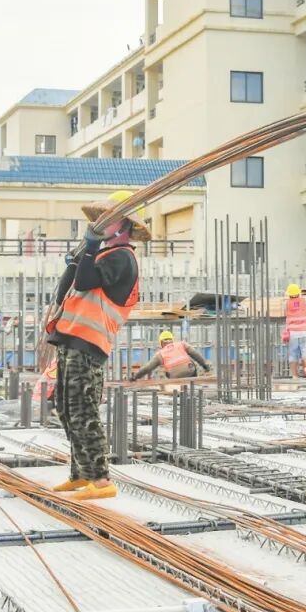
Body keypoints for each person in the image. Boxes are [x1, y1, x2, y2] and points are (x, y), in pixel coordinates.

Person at [46, 190, 146, 501]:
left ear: (124, 225)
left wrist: (89, 251)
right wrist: (78, 259)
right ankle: (80, 473)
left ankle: (101, 479)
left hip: (89, 344)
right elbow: (66, 289)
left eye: (110, 216)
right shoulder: (101, 254)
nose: (101, 223)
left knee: (82, 409)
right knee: (65, 408)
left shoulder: (123, 258)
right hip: (71, 338)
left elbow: (89, 282)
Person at [131, 330, 211, 380]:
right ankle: (192, 390)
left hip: (174, 376)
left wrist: (135, 377)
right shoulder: (182, 344)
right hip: (189, 372)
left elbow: (147, 368)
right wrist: (205, 365)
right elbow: (195, 354)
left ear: (161, 342)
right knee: (191, 362)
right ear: (172, 340)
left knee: (167, 371)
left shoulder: (160, 354)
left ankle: (177, 392)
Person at [282, 283, 306, 379]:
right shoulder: (304, 301)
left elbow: (284, 313)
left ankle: (295, 375)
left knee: (293, 354)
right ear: (298, 293)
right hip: (304, 331)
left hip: (293, 333)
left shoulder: (286, 303)